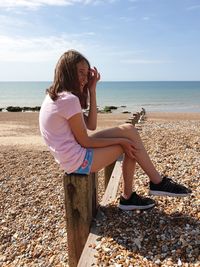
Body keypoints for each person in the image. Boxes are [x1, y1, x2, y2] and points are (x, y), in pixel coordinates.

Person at [39, 50, 192, 211]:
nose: (85, 78)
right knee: (128, 144)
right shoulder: (68, 100)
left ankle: (156, 182)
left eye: (86, 73)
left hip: (72, 155)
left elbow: (91, 125)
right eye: (80, 72)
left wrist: (92, 90)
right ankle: (134, 194)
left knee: (128, 130)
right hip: (77, 161)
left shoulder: (58, 96)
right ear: (68, 72)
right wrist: (121, 141)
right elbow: (86, 140)